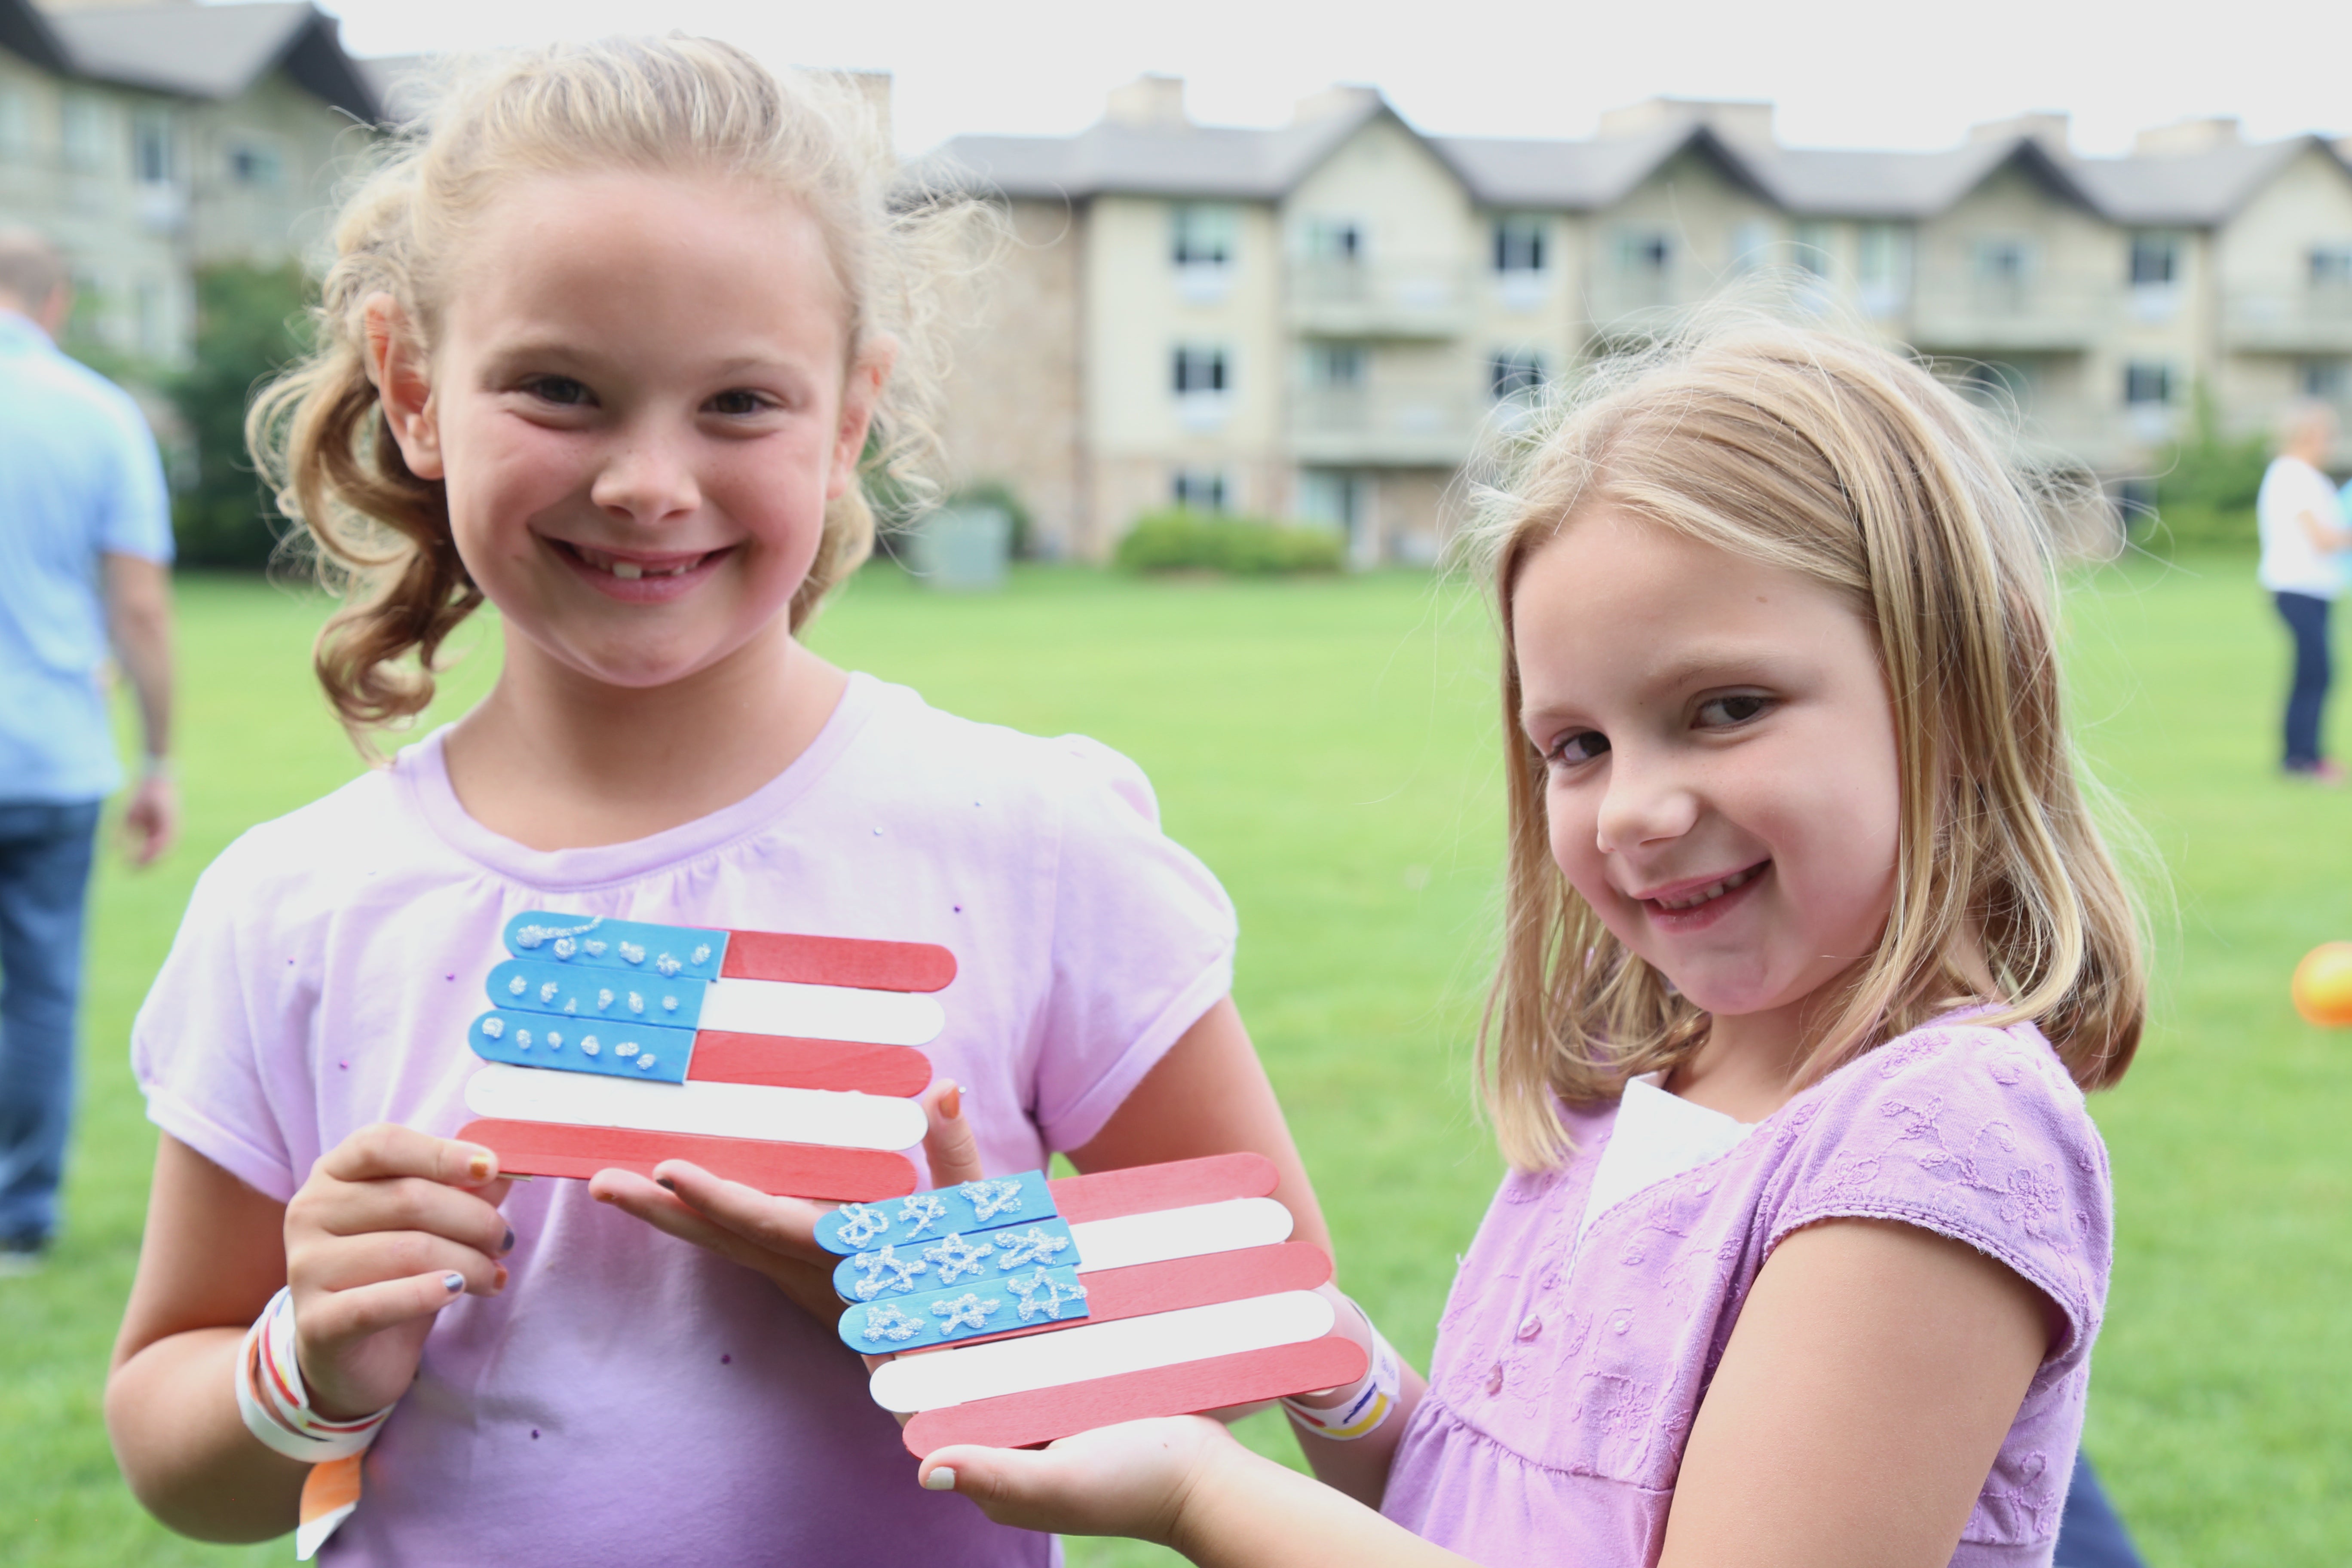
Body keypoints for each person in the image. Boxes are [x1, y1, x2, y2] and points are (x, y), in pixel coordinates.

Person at [101, 38, 1323, 1565]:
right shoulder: (297, 906)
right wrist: (309, 1362)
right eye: (561, 388)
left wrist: (927, 1297)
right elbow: (174, 1442)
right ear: (416, 389)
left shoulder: (1025, 839)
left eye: (740, 402)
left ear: (847, 414)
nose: (646, 481)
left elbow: (1267, 1309)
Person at [914, 321, 2146, 1567]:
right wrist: (1305, 1341)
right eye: (1578, 746)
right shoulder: (1643, 1093)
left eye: (1725, 709)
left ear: (1959, 689)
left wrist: (1201, 1494)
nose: (1634, 811)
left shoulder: (1935, 1138)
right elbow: (1486, 1513)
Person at [0, 228, 178, 1274]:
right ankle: (19, 1218)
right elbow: (141, 609)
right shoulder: (101, 414)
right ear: (55, 302)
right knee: (40, 988)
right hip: (51, 753)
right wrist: (159, 759)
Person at [2256, 401, 2352, 781]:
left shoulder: (2309, 477)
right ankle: (2300, 760)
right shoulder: (2291, 476)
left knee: (2314, 672)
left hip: (2316, 590)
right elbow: (2322, 538)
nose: (2332, 442)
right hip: (2296, 588)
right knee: (2316, 672)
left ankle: (2306, 756)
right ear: (2308, 434)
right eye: (2328, 434)